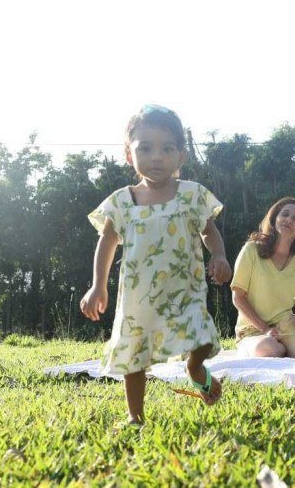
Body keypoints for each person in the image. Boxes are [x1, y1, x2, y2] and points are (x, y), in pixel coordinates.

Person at [80, 104, 232, 422]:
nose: (156, 157)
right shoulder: (122, 202)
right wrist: (98, 285)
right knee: (134, 356)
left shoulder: (192, 195)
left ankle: (195, 368)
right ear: (128, 154)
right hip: (138, 297)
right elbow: (106, 242)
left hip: (184, 291)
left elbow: (209, 231)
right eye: (145, 148)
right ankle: (135, 416)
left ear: (181, 156)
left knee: (201, 338)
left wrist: (219, 255)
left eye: (167, 148)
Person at [230, 197, 295, 358]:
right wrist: (266, 329)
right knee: (268, 350)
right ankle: (283, 348)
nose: (289, 220)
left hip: (286, 331)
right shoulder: (251, 250)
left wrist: (292, 324)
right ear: (275, 219)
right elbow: (237, 298)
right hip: (253, 331)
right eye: (285, 214)